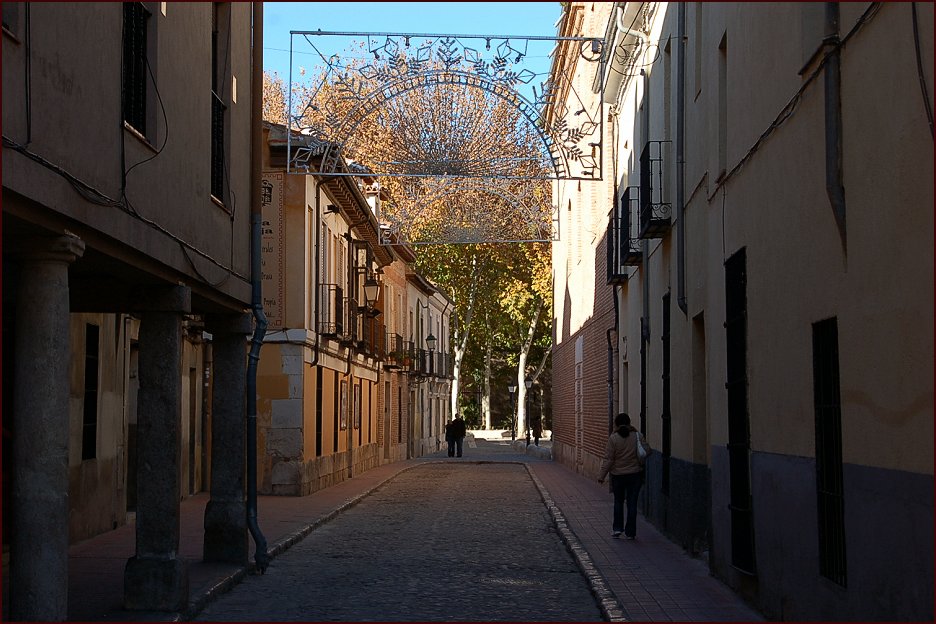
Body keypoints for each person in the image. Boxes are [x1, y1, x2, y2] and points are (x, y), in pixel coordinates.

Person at [597, 413, 651, 540]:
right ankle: (630, 532)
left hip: (618, 475)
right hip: (635, 474)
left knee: (618, 502)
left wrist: (601, 476)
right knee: (632, 503)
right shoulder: (637, 436)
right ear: (629, 422)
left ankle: (617, 529)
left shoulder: (613, 438)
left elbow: (609, 459)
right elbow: (647, 451)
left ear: (616, 423)